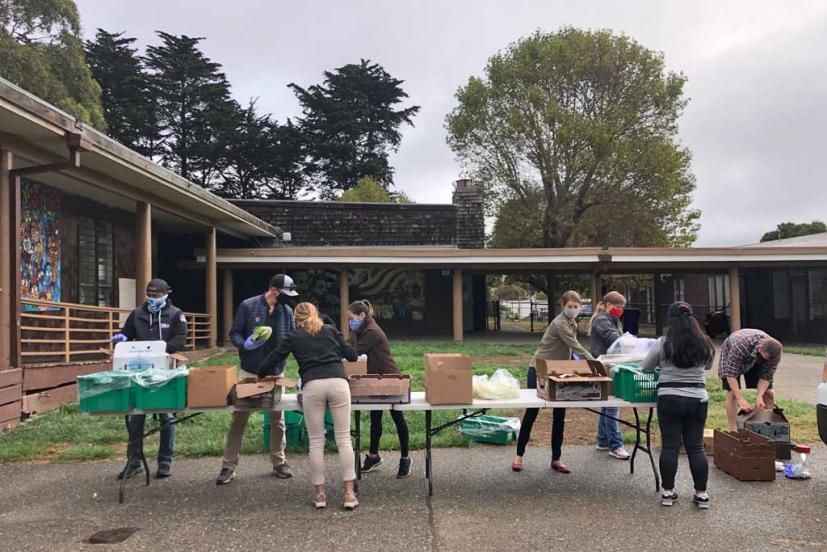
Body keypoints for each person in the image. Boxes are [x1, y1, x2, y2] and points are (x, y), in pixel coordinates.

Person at [258, 302, 360, 510]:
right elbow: (352, 355)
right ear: (316, 314)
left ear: (296, 319)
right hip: (339, 384)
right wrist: (336, 335)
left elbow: (274, 358)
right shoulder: (330, 330)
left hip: (312, 385)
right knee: (344, 439)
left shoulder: (294, 336)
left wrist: (261, 373)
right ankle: (349, 494)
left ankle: (320, 494)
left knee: (316, 442)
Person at [216, 274, 297, 485]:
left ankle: (279, 462)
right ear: (274, 290)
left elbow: (293, 339)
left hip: (276, 373)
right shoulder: (248, 306)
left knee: (277, 420)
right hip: (250, 372)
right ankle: (228, 465)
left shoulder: (286, 312)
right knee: (239, 417)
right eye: (285, 294)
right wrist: (245, 345)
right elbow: (234, 333)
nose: (288, 299)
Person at [113, 278, 187, 480]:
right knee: (136, 417)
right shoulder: (137, 314)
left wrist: (158, 350)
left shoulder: (176, 315)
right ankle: (134, 461)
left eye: (156, 296)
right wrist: (121, 340)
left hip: (165, 371)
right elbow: (126, 335)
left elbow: (180, 339)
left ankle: (165, 462)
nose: (152, 299)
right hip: (140, 372)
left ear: (166, 294)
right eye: (150, 295)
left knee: (167, 417)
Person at [643, 302, 715, 509]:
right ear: (693, 319)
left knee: (670, 446)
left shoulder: (663, 343)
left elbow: (646, 367)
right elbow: (708, 365)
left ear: (670, 321)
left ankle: (668, 492)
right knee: (696, 446)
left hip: (669, 398)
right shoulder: (705, 343)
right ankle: (701, 494)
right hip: (697, 398)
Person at [512, 290, 592, 474]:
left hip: (559, 372)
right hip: (539, 370)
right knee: (532, 412)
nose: (573, 309)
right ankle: (519, 455)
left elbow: (571, 352)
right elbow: (575, 346)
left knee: (559, 415)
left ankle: (556, 458)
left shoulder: (573, 322)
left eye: (576, 306)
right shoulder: (560, 323)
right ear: (563, 306)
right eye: (569, 306)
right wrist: (593, 361)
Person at [347, 299, 411, 478]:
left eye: (351, 318)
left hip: (389, 377)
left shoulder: (372, 331)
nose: (350, 322)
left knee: (398, 418)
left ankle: (405, 459)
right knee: (375, 417)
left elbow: (353, 352)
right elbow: (349, 346)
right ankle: (373, 456)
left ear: (362, 315)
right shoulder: (362, 329)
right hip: (375, 377)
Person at [589, 291, 632, 460]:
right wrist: (630, 343)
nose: (620, 310)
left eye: (622, 307)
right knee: (613, 404)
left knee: (607, 403)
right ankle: (616, 444)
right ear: (607, 305)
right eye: (617, 306)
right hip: (604, 365)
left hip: (611, 363)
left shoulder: (613, 319)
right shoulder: (601, 320)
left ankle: (603, 440)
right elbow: (614, 338)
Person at [718, 328, 783, 430]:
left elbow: (766, 376)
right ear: (760, 348)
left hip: (755, 354)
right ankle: (734, 430)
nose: (767, 361)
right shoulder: (740, 345)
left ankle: (768, 429)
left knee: (769, 392)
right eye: (764, 358)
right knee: (732, 394)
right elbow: (730, 374)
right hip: (734, 352)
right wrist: (740, 399)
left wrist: (759, 397)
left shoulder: (775, 354)